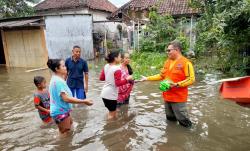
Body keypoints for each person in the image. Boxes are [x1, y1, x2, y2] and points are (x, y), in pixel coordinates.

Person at [141, 40, 195, 128]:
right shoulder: (168, 61)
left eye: (169, 50)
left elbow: (191, 79)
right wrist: (147, 78)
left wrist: (177, 84)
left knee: (184, 123)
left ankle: (190, 135)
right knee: (170, 120)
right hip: (167, 96)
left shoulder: (186, 63)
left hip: (178, 99)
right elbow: (161, 75)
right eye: (167, 50)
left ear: (176, 50)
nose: (167, 52)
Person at [47, 58, 93, 137]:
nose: (66, 67)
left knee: (69, 128)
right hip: (60, 112)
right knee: (65, 135)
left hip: (61, 110)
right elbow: (66, 99)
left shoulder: (56, 78)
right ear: (57, 69)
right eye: (63, 66)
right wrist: (84, 101)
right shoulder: (58, 81)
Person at [99, 51, 133, 119]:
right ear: (115, 58)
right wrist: (127, 79)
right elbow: (118, 83)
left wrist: (110, 78)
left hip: (104, 93)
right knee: (112, 115)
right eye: (120, 57)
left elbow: (101, 78)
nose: (121, 58)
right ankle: (110, 128)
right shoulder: (117, 68)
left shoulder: (106, 65)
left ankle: (112, 127)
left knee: (112, 113)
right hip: (111, 94)